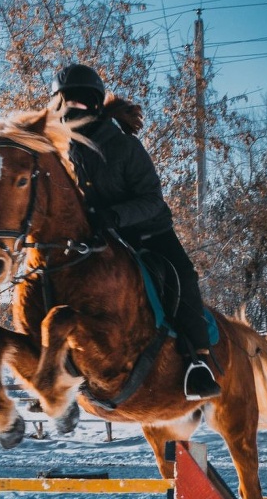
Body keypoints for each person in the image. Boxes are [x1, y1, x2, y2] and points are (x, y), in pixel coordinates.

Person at [50, 62, 221, 400]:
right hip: (105, 240)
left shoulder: (124, 146)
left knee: (183, 275)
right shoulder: (67, 151)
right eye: (63, 103)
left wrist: (114, 216)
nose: (71, 109)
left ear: (96, 106)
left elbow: (153, 200)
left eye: (79, 102)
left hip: (150, 233)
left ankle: (198, 362)